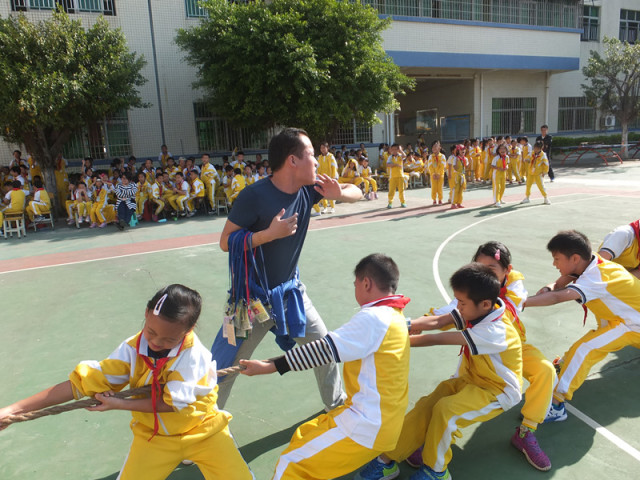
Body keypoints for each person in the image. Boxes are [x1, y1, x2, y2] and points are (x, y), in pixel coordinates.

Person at [0, 285, 253, 480]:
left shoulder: (193, 355)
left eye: (168, 339)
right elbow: (81, 384)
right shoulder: (132, 348)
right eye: (151, 332)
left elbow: (169, 404)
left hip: (204, 431)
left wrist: (120, 404)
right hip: (154, 438)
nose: (155, 342)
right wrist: (13, 410)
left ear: (188, 330)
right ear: (145, 314)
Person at [210, 127, 362, 410]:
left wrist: (339, 194)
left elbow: (358, 191)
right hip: (249, 301)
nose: (317, 162)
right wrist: (267, 235)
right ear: (293, 160)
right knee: (221, 365)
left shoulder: (309, 189)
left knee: (323, 349)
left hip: (291, 294)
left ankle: (336, 404)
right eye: (312, 155)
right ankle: (201, 428)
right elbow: (224, 242)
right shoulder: (253, 196)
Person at [240, 254, 410, 480]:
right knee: (304, 434)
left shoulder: (373, 318)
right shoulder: (395, 315)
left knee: (290, 465)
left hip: (365, 424)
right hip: (383, 421)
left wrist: (270, 366)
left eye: (355, 284)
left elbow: (322, 350)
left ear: (366, 283)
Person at [357, 263, 523, 480]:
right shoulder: (480, 309)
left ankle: (436, 471)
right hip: (471, 379)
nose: (458, 307)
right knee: (427, 405)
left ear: (483, 304)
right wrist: (398, 325)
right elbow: (437, 321)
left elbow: (436, 338)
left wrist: (391, 340)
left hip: (497, 391)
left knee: (447, 411)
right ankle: (387, 460)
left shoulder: (495, 331)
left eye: (461, 303)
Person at [524, 230, 640, 423]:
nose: (554, 264)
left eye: (557, 259)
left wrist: (519, 303)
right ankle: (564, 365)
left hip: (633, 325)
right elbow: (557, 287)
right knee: (592, 342)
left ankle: (556, 403)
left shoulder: (596, 277)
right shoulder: (590, 263)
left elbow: (556, 298)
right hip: (623, 319)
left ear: (575, 258)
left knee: (586, 348)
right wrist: (548, 288)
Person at [520, 141, 550, 205]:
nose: (535, 150)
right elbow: (527, 158)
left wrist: (544, 172)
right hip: (530, 172)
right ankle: (527, 197)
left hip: (538, 173)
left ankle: (545, 198)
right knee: (528, 185)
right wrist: (526, 160)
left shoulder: (543, 155)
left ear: (541, 148)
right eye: (535, 148)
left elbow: (546, 164)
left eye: (537, 148)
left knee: (541, 186)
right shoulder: (532, 153)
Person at [386, 143, 406, 208]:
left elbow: (405, 156)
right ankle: (390, 203)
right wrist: (396, 165)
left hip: (400, 176)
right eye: (393, 149)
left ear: (398, 150)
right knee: (391, 190)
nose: (394, 151)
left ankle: (403, 202)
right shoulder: (390, 157)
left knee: (401, 190)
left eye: (396, 149)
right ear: (391, 150)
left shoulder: (400, 156)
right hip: (392, 176)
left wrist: (401, 150)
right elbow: (388, 165)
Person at [427, 141, 446, 205]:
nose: (434, 148)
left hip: (440, 175)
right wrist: (433, 173)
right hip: (433, 175)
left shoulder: (442, 156)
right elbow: (430, 166)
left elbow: (442, 165)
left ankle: (440, 199)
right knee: (434, 188)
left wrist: (438, 173)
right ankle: (434, 199)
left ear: (439, 147)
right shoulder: (430, 157)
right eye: (433, 147)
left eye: (436, 146)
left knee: (440, 187)